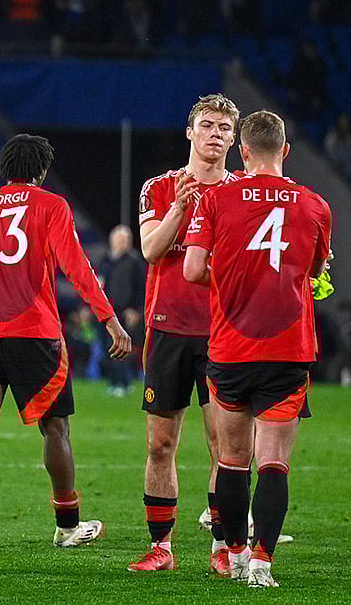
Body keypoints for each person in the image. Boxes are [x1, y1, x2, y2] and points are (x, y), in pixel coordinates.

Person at [0, 134, 132, 551]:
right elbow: (77, 267)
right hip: (35, 332)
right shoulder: (51, 205)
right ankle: (68, 525)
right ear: (42, 171)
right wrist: (110, 319)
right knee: (56, 428)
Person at [183, 110, 332, 588]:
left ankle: (236, 554)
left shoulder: (216, 200)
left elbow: (191, 270)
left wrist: (229, 273)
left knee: (231, 458)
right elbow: (314, 273)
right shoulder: (315, 206)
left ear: (242, 151)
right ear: (285, 150)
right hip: (288, 347)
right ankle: (264, 565)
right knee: (273, 460)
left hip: (230, 345)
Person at [130, 93, 239, 575]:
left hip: (223, 333)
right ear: (190, 132)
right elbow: (151, 250)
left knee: (224, 445)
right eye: (208, 125)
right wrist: (178, 208)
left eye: (225, 129)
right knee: (160, 444)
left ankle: (221, 546)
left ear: (235, 140)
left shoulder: (241, 193)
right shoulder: (157, 189)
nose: (216, 134)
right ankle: (162, 548)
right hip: (168, 329)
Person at [96, 224, 146, 396]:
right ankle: (113, 382)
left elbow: (142, 287)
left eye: (125, 239)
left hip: (125, 312)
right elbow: (98, 284)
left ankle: (123, 383)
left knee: (121, 348)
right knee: (106, 348)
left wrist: (136, 309)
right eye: (119, 238)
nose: (121, 242)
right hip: (106, 311)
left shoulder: (134, 260)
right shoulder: (105, 260)